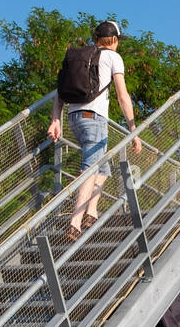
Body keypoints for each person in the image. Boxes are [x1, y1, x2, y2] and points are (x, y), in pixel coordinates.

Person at [48, 21, 142, 242]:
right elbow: (122, 96)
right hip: (95, 118)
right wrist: (133, 129)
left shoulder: (79, 57)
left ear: (96, 39)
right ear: (115, 40)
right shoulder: (113, 58)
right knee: (90, 168)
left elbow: (59, 91)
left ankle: (91, 212)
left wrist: (56, 119)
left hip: (74, 118)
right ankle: (75, 223)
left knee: (102, 166)